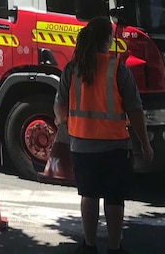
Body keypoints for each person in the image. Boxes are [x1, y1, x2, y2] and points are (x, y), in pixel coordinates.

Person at [54, 16, 154, 254]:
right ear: (107, 40)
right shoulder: (118, 69)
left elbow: (59, 106)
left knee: (89, 195)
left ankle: (89, 245)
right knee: (114, 199)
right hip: (114, 146)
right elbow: (135, 110)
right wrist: (145, 144)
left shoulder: (72, 68)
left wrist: (66, 125)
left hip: (81, 145)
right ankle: (114, 246)